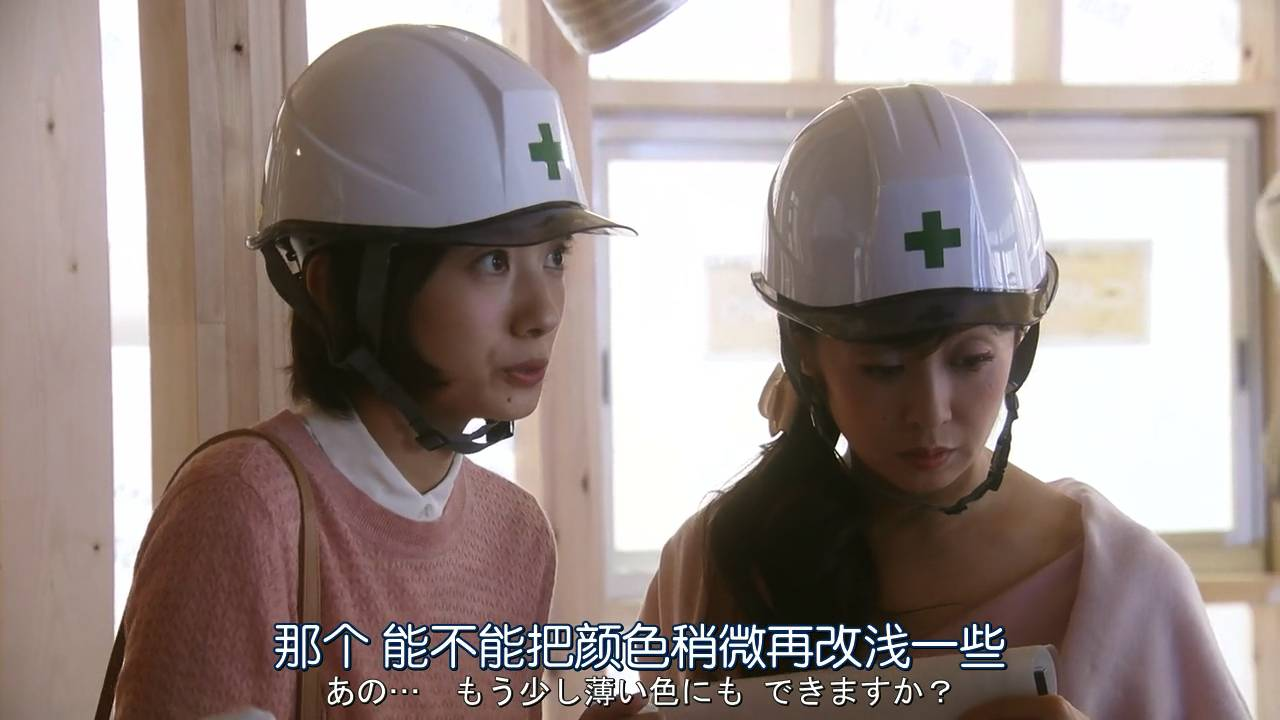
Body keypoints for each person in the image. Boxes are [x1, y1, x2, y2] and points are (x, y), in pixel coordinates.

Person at [595, 84, 1249, 719]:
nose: (930, 412)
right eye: (882, 369)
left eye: (971, 361)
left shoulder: (1123, 587)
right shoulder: (719, 560)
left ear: (1020, 346)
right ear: (807, 357)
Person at [107, 24, 632, 718]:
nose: (544, 311)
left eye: (555, 256)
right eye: (493, 261)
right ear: (340, 288)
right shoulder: (243, 509)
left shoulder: (517, 534)